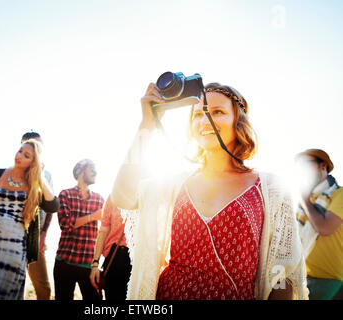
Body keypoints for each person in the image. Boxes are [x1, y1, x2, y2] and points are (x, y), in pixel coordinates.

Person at [111, 81, 308, 300]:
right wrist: (146, 123)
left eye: (218, 112)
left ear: (238, 121)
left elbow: (283, 272)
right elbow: (122, 196)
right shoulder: (174, 184)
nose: (205, 120)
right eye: (197, 115)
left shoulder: (272, 188)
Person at [0, 139, 58, 300]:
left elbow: (53, 206)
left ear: (33, 163)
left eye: (26, 155)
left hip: (15, 253)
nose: (19, 155)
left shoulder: (34, 186)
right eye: (20, 151)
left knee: (6, 295)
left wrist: (40, 176)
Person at [295, 149, 342, 300]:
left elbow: (324, 227)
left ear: (323, 166)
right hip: (301, 279)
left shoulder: (339, 194)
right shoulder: (303, 203)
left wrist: (305, 200)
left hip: (332, 282)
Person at [54, 159, 104, 301]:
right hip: (64, 264)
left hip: (89, 265)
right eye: (92, 168)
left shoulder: (99, 199)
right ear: (80, 171)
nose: (96, 172)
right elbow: (65, 224)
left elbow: (105, 229)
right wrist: (93, 216)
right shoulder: (65, 194)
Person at [21, 131, 55, 300]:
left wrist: (44, 235)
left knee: (44, 289)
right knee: (16, 287)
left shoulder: (46, 175)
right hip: (13, 237)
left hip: (35, 238)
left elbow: (51, 207)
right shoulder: (10, 172)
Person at [89, 195, 132, 301]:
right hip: (114, 258)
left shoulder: (148, 195)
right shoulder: (114, 196)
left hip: (138, 260)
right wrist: (95, 264)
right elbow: (103, 231)